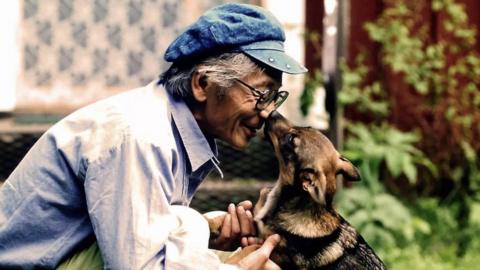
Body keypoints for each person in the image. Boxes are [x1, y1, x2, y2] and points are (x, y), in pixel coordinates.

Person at [0, 3, 307, 269]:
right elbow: (136, 265)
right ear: (202, 84)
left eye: (274, 97)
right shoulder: (141, 137)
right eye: (260, 93)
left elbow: (148, 231)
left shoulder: (171, 125)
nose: (267, 112)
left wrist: (205, 230)